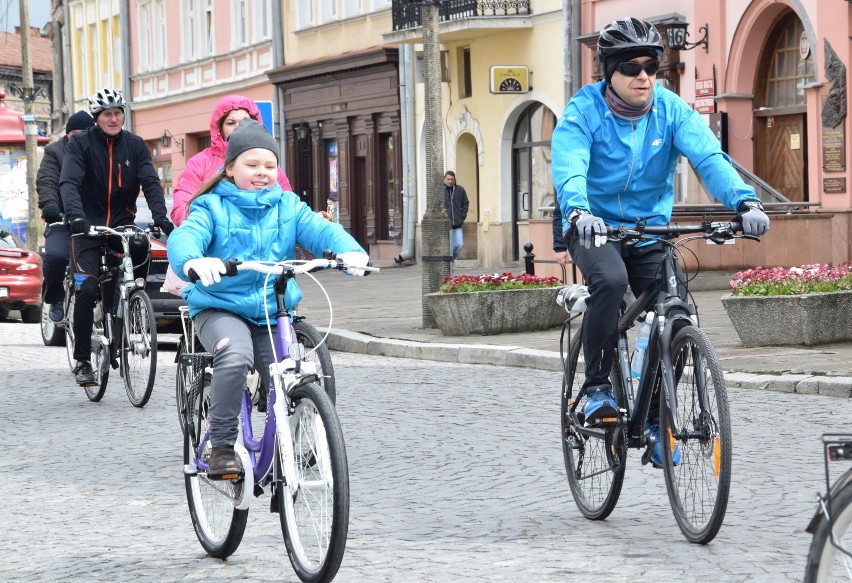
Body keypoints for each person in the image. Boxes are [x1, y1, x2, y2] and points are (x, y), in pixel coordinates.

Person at [551, 17, 769, 467]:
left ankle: (653, 419)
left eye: (652, 65)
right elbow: (570, 163)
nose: (643, 75)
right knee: (609, 282)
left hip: (651, 228)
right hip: (593, 225)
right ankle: (596, 388)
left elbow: (708, 156)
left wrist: (744, 202)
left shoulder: (671, 111)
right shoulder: (583, 111)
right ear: (608, 72)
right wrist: (578, 210)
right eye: (630, 67)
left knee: (675, 311)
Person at [167, 119, 369, 477]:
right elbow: (186, 238)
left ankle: (291, 444)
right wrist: (195, 261)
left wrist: (350, 252)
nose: (262, 173)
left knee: (291, 372)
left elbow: (320, 229)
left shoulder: (288, 206)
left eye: (269, 166)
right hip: (220, 307)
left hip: (271, 309)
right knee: (234, 356)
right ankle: (223, 445)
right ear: (230, 168)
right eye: (252, 164)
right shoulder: (210, 207)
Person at [60, 87, 174, 386]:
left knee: (131, 266)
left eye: (118, 113)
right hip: (87, 225)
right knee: (86, 289)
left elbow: (150, 182)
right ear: (97, 118)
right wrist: (76, 217)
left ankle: (121, 320)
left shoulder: (135, 146)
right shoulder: (81, 145)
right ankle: (83, 359)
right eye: (108, 114)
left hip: (121, 224)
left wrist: (161, 216)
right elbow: (69, 183)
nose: (113, 119)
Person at [170, 94, 292, 226]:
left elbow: (288, 207)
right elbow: (182, 209)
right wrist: (210, 229)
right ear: (220, 128)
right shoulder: (199, 163)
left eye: (245, 121)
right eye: (231, 123)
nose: (238, 127)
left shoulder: (267, 162)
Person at [37, 110, 95, 322]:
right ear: (68, 134)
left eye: (85, 134)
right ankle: (55, 298)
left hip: (91, 218)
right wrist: (51, 207)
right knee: (56, 256)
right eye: (75, 134)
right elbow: (47, 181)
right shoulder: (54, 152)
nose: (79, 139)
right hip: (61, 217)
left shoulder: (96, 150)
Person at [443, 171, 469, 260]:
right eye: (448, 179)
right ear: (444, 179)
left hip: (457, 224)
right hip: (444, 225)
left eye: (452, 179)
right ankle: (449, 262)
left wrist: (462, 215)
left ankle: (450, 260)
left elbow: (465, 203)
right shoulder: (440, 191)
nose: (450, 181)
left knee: (459, 244)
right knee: (447, 247)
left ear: (455, 180)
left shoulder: (460, 190)